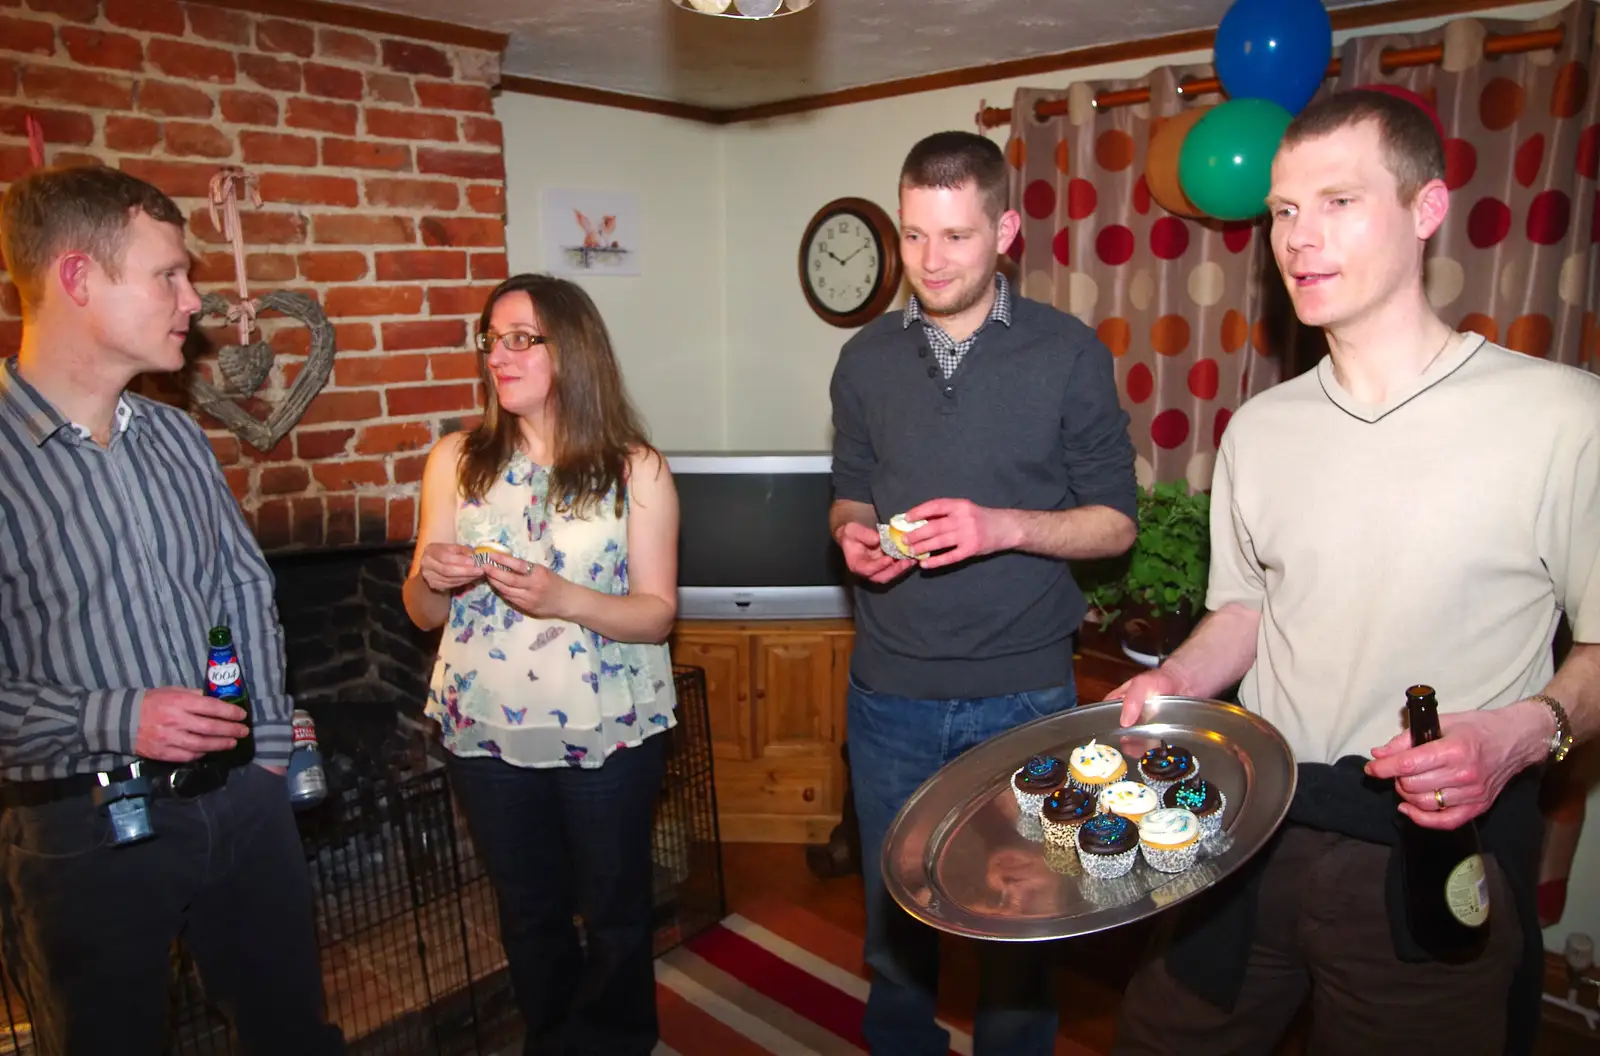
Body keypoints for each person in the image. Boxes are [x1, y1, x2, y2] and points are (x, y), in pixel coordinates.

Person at [1108, 89, 1600, 1054]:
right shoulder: (1260, 427)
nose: (1300, 237)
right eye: (1286, 211)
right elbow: (1247, 610)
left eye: (1339, 202)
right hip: (1252, 826)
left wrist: (1517, 734)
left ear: (1426, 210)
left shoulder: (1564, 417)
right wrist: (1173, 682)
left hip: (1425, 856)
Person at [0, 167, 343, 1053]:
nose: (194, 299)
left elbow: (242, 588)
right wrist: (116, 716)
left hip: (243, 801)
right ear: (78, 280)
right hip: (83, 830)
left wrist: (267, 744)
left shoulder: (178, 433)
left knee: (293, 1032)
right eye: (169, 275)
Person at [829, 130, 1139, 1055]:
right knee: (895, 933)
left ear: (1004, 228)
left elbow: (1115, 523)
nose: (931, 260)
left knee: (1020, 929)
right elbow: (849, 487)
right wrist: (851, 537)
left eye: (956, 237)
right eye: (915, 235)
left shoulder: (1068, 353)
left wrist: (1003, 526)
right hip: (888, 693)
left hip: (1026, 698)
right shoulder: (863, 360)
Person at [403, 273, 679, 1056]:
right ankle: (552, 1041)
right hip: (486, 726)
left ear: (574, 349)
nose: (500, 353)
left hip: (610, 726)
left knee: (617, 908)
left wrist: (564, 597)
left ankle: (619, 1043)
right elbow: (420, 613)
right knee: (528, 911)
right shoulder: (454, 460)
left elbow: (658, 611)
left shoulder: (637, 469)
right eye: (491, 338)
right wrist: (433, 577)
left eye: (522, 337)